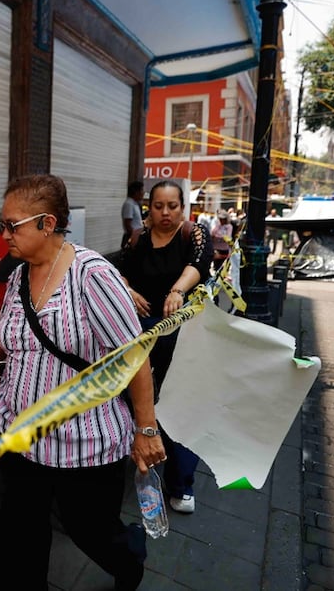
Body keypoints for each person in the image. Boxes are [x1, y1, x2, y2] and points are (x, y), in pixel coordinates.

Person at [0, 174, 165, 591]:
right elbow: (7, 332)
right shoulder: (20, 275)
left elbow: (135, 359)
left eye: (12, 226)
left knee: (92, 533)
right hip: (22, 435)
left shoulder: (92, 275)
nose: (4, 235)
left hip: (84, 443)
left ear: (47, 223)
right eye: (2, 225)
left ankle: (129, 555)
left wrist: (146, 429)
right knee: (19, 543)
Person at [119, 180, 213, 516]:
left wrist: (177, 291)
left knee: (179, 402)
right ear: (149, 207)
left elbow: (199, 265)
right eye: (158, 206)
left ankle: (181, 484)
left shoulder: (194, 233)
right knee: (134, 399)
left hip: (181, 332)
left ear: (182, 206)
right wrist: (127, 290)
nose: (165, 213)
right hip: (140, 333)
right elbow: (122, 274)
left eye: (172, 206)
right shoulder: (138, 238)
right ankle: (135, 454)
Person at [121, 180, 145, 249]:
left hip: (136, 236)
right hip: (131, 236)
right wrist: (133, 237)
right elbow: (127, 224)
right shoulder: (129, 204)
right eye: (142, 190)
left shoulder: (135, 203)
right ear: (136, 192)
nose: (143, 193)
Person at [210, 209, 233, 273]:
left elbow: (228, 237)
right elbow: (212, 233)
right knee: (216, 268)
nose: (221, 220)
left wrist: (218, 236)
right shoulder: (218, 226)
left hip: (224, 249)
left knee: (223, 269)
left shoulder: (229, 227)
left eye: (222, 219)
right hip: (216, 249)